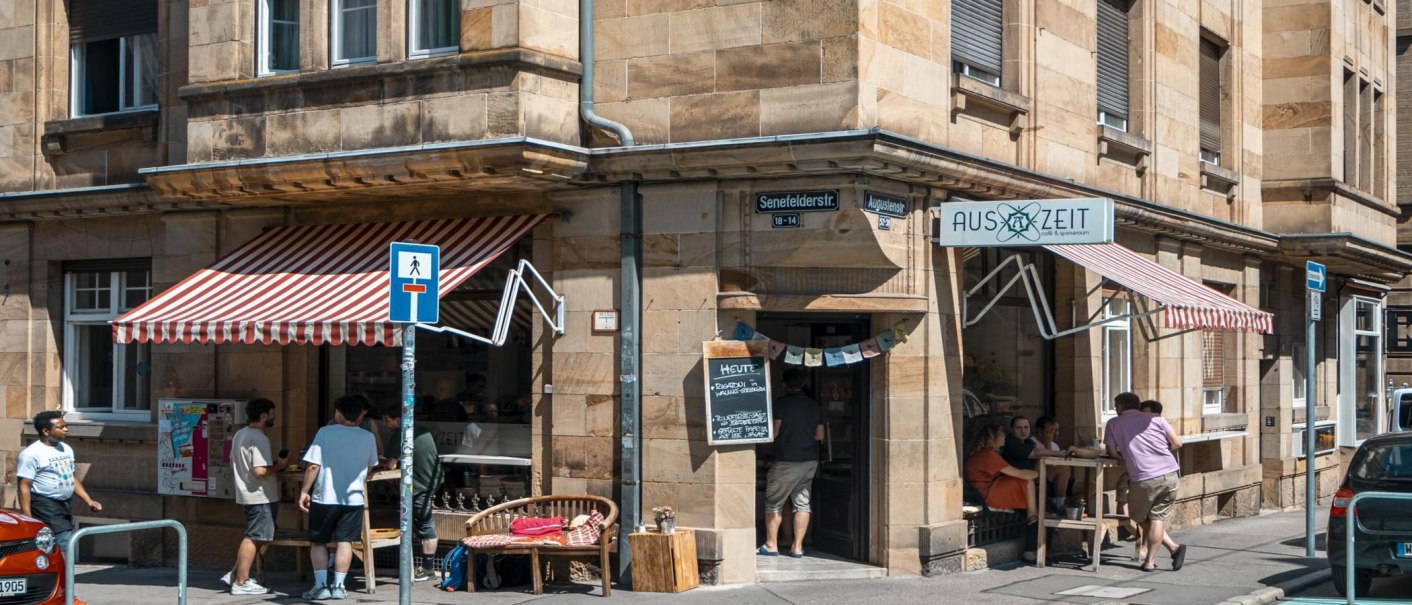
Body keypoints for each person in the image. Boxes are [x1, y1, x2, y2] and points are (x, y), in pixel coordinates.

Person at [299, 395, 381, 600]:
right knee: (345, 542)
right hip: (353, 499)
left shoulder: (325, 432)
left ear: (338, 413)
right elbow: (370, 466)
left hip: (324, 497)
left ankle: (320, 586)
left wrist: (304, 491)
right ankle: (338, 586)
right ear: (360, 416)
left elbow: (313, 465)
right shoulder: (368, 437)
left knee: (319, 542)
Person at [1104, 394, 1187, 572]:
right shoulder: (1156, 419)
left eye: (1115, 406)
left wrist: (1126, 457)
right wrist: (1159, 450)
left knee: (1138, 516)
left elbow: (1111, 452)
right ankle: (1156, 558)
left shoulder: (1113, 423)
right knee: (1157, 518)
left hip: (1144, 477)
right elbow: (1177, 443)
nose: (1115, 409)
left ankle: (1170, 550)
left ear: (1121, 406)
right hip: (1170, 474)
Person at [224, 398, 289, 595]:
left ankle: (235, 574)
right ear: (263, 416)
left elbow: (232, 461)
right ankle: (241, 582)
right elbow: (260, 470)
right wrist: (279, 466)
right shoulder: (260, 438)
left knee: (259, 536)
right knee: (254, 538)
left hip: (247, 493)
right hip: (260, 496)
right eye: (272, 414)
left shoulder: (240, 434)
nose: (274, 418)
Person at [758, 369, 824, 559]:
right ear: (802, 384)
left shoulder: (780, 404)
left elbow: (774, 432)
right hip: (809, 460)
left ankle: (771, 545)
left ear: (784, 384)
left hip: (786, 460)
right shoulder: (814, 405)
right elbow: (819, 435)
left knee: (774, 503)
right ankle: (797, 547)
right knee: (802, 504)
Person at [17, 411, 101, 556]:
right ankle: (64, 569)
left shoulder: (65, 448)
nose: (66, 429)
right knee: (64, 540)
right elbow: (24, 486)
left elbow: (71, 477)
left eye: (66, 426)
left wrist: (89, 501)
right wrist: (27, 517)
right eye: (61, 427)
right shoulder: (31, 454)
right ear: (46, 431)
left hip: (65, 503)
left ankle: (57, 567)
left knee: (54, 544)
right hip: (45, 504)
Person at [379, 404, 445, 582]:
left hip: (419, 484)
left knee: (425, 525)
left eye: (387, 420)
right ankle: (425, 567)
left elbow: (391, 465)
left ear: (398, 419)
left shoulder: (401, 434)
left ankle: (428, 570)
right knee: (421, 522)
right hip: (430, 480)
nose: (385, 424)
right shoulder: (421, 430)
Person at [965, 423, 1039, 523]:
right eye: (1001, 434)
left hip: (982, 491)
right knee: (1028, 481)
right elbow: (1019, 474)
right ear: (993, 438)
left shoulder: (981, 454)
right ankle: (1033, 515)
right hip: (987, 494)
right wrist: (1038, 473)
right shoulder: (988, 455)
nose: (1004, 436)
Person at [1030, 416, 1077, 512]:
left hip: (1058, 481)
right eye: (1051, 431)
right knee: (1063, 469)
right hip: (1042, 480)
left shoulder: (1055, 445)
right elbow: (1048, 467)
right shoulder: (1032, 443)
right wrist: (1047, 443)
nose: (1055, 434)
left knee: (1090, 485)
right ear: (1040, 432)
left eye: (1057, 430)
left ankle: (1072, 506)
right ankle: (1059, 504)